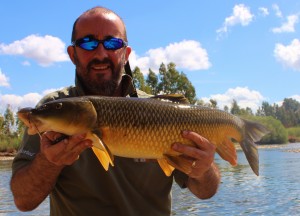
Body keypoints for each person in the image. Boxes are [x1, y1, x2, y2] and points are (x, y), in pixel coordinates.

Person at [10, 6, 220, 216]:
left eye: (112, 43)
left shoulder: (164, 111)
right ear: (73, 54)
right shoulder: (54, 110)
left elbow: (205, 192)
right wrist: (48, 163)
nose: (100, 53)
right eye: (88, 42)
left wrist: (204, 169)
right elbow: (23, 200)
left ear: (126, 54)